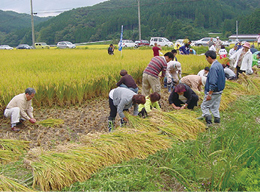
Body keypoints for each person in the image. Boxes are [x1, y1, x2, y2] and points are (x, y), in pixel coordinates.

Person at [200, 51, 225, 125]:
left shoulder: (213, 67)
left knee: (204, 106)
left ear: (209, 57)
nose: (206, 59)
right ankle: (217, 123)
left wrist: (210, 94)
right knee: (215, 107)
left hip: (214, 91)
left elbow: (213, 81)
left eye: (206, 58)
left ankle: (209, 122)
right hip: (219, 91)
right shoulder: (219, 65)